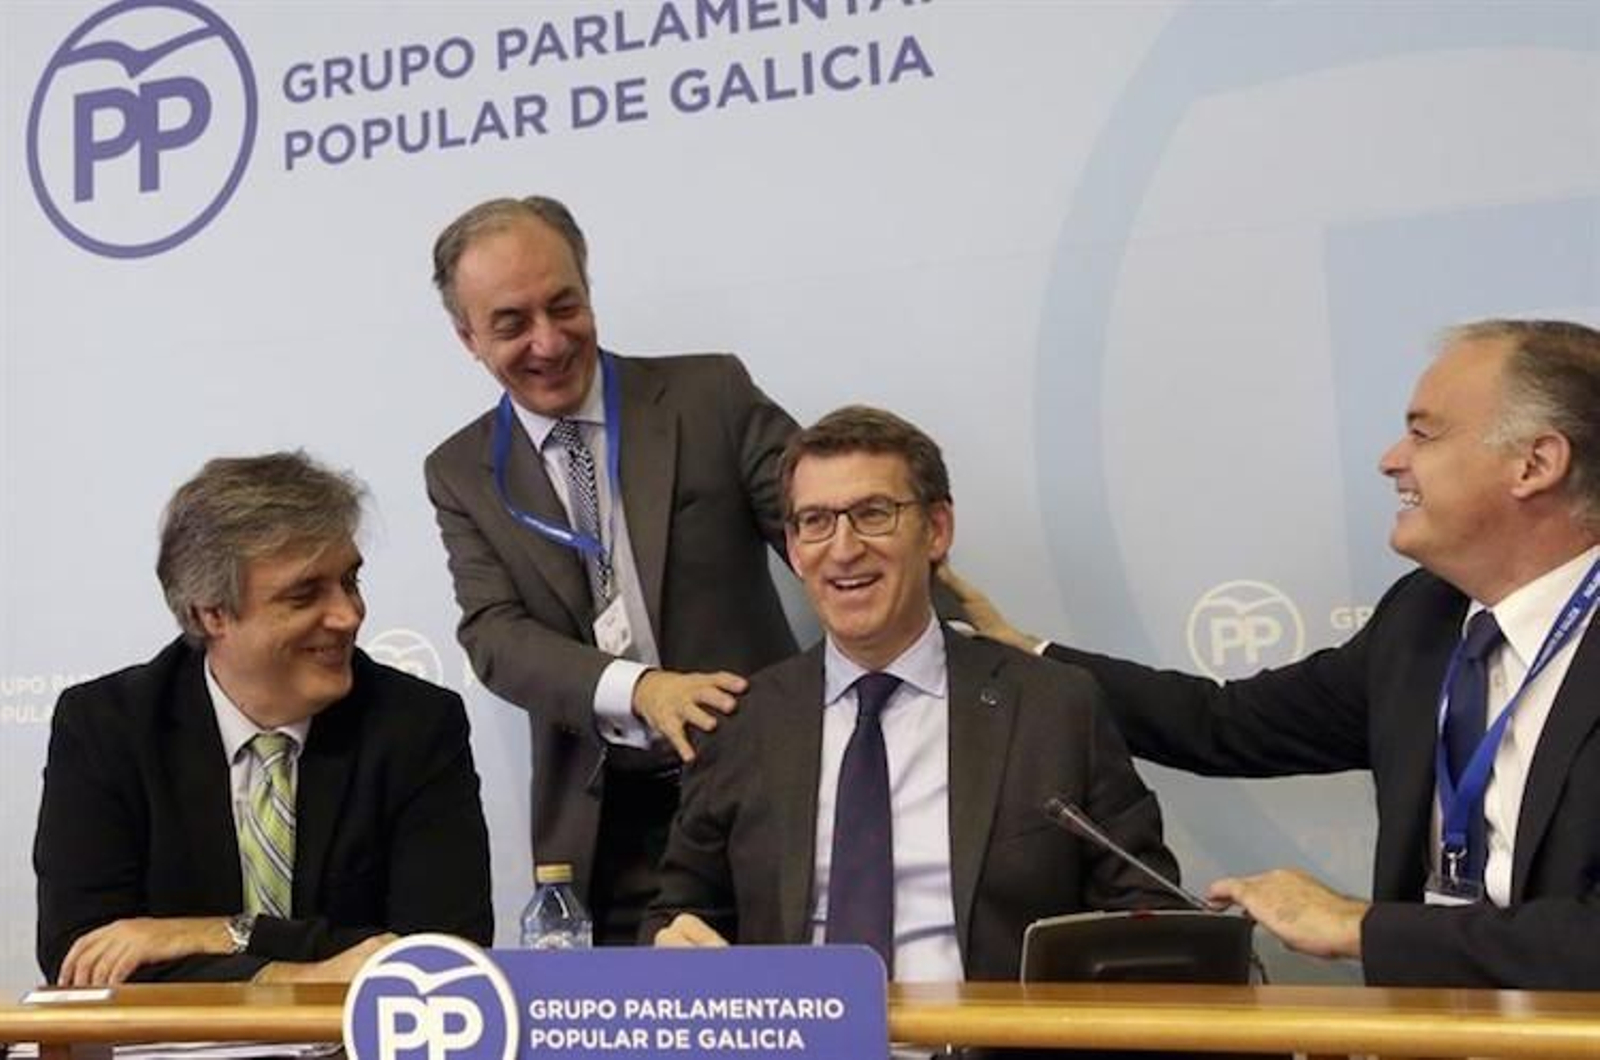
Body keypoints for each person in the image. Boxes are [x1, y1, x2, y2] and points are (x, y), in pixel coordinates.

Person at [942, 319, 1600, 988]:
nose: (1392, 458)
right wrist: (1030, 655)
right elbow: (1224, 723)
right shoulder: (1423, 619)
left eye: (1425, 433)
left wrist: (1356, 926)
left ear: (1535, 464)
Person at [644, 405, 1181, 982]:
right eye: (816, 521)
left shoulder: (1054, 708)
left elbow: (1147, 916)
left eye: (873, 514)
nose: (843, 548)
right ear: (795, 550)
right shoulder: (743, 723)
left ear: (937, 530)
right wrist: (673, 941)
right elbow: (679, 912)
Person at [424, 196, 799, 944]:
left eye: (565, 306)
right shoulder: (459, 471)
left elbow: (826, 526)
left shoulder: (709, 396)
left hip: (762, 793)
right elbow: (496, 636)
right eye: (510, 324)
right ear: (467, 337)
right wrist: (643, 690)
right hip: (608, 827)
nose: (549, 341)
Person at [34, 452, 493, 985]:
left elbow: (440, 955)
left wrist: (217, 933)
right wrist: (289, 977)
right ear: (213, 614)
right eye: (305, 595)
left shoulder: (415, 724)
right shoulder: (106, 726)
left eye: (350, 581)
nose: (348, 615)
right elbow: (81, 953)